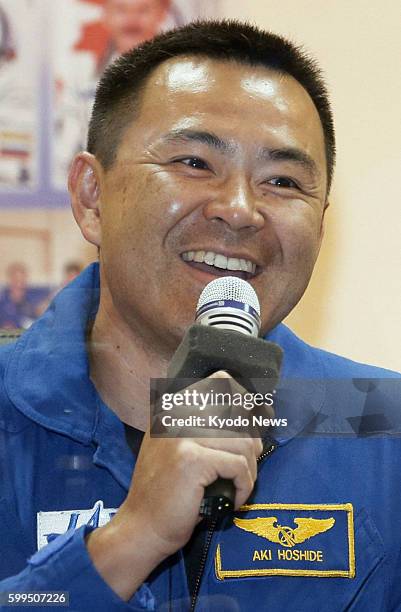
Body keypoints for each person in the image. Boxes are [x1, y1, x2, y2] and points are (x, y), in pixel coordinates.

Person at [0, 20, 400, 612]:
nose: (240, 210)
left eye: (283, 181)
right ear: (91, 197)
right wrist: (125, 545)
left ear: (320, 222)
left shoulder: (382, 426)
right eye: (193, 162)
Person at [54, 0, 183, 186]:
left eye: (143, 10)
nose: (131, 20)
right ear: (105, 16)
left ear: (161, 15)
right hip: (99, 189)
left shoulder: (185, 77)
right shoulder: (80, 74)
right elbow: (65, 143)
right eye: (121, 10)